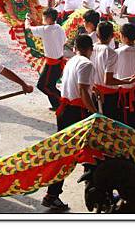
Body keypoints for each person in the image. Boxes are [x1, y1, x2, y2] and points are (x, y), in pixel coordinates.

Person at [42, 34, 96, 211]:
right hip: (76, 112)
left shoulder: (71, 61)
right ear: (91, 49)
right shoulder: (87, 64)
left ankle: (53, 194)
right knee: (86, 153)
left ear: (75, 48)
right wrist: (95, 113)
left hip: (64, 110)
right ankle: (94, 190)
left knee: (64, 154)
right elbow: (83, 92)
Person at [25, 8, 67, 111]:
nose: (42, 19)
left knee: (42, 85)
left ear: (48, 18)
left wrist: (26, 19)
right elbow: (64, 41)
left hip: (52, 64)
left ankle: (62, 102)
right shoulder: (59, 28)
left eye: (44, 17)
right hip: (58, 61)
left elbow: (28, 29)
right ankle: (57, 104)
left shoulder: (45, 30)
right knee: (50, 85)